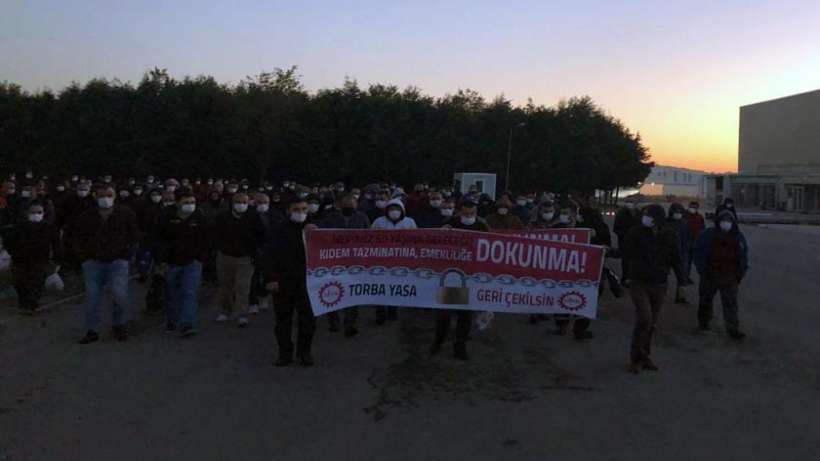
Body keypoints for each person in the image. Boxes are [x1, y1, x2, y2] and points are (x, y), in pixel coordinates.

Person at [73, 184, 139, 344]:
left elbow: (134, 235)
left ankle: (119, 324)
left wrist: (128, 255)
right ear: (95, 196)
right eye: (102, 195)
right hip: (93, 262)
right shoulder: (86, 216)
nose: (105, 199)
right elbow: (77, 238)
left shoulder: (125, 213)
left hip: (118, 261)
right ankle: (92, 329)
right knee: (93, 297)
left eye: (109, 195)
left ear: (115, 196)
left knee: (119, 295)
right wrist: (84, 258)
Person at [623, 204, 683, 373]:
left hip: (659, 283)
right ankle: (635, 358)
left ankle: (644, 356)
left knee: (652, 324)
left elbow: (676, 257)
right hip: (638, 281)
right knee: (644, 319)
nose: (646, 218)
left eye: (649, 215)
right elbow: (625, 252)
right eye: (644, 215)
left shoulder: (670, 234)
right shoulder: (636, 232)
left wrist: (682, 279)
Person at [431, 199, 489, 360]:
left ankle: (460, 346)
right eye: (465, 213)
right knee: (444, 315)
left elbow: (491, 246)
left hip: (471, 277)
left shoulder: (482, 226)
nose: (468, 216)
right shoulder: (450, 223)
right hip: (452, 276)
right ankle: (438, 342)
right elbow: (436, 244)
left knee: (465, 317)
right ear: (460, 212)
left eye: (472, 214)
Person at [263, 198, 317, 367]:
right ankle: (285, 353)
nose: (301, 212)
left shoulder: (314, 228)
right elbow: (269, 255)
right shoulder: (278, 229)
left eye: (304, 209)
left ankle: (304, 352)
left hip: (308, 282)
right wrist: (271, 278)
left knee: (308, 320)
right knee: (283, 320)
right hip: (283, 281)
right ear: (288, 210)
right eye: (297, 208)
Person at [155, 191, 210, 337]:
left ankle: (188, 324)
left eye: (192, 202)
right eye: (186, 202)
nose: (190, 205)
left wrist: (201, 258)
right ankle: (172, 320)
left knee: (189, 292)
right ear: (178, 202)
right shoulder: (166, 217)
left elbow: (206, 238)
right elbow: (158, 239)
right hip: (170, 262)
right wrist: (161, 261)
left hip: (192, 262)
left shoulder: (199, 217)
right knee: (171, 294)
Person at [320, 193, 371, 337]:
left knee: (352, 293)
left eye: (352, 205)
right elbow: (320, 236)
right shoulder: (330, 219)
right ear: (340, 206)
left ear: (356, 205)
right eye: (346, 205)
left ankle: (350, 323)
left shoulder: (362, 218)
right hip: (333, 262)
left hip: (355, 262)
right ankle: (333, 321)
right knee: (332, 291)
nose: (349, 208)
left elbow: (369, 238)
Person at [693, 210, 749, 340]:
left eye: (728, 221)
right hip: (710, 275)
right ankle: (704, 323)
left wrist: (740, 273)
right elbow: (698, 251)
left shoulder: (737, 236)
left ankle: (732, 328)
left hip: (729, 276)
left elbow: (743, 255)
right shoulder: (707, 235)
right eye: (723, 221)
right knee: (705, 300)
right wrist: (702, 269)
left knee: (730, 304)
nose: (725, 224)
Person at [0, 201, 62, 315]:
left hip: (40, 260)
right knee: (20, 282)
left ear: (43, 213)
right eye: (33, 212)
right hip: (20, 260)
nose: (36, 214)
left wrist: (57, 258)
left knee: (36, 283)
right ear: (28, 213)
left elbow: (56, 244)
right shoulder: (19, 227)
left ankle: (31, 305)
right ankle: (24, 303)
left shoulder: (48, 227)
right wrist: (14, 253)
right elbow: (9, 241)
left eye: (39, 212)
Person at [211, 192, 263, 327]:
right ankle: (225, 310)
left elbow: (261, 236)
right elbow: (215, 234)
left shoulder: (254, 217)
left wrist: (255, 252)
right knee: (225, 285)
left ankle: (241, 314)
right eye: (238, 202)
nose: (241, 205)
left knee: (242, 286)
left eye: (244, 202)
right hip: (225, 256)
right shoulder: (223, 217)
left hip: (245, 258)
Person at [371, 198, 417, 324]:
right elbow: (368, 239)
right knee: (380, 287)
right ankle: (380, 313)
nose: (394, 211)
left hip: (401, 260)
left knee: (395, 286)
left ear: (402, 210)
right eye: (391, 209)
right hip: (381, 260)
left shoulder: (409, 222)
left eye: (397, 209)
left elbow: (417, 241)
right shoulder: (379, 222)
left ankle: (393, 309)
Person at [248, 193, 279, 315]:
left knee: (268, 275)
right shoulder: (249, 215)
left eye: (265, 202)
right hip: (253, 249)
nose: (262, 205)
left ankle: (264, 295)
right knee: (253, 277)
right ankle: (253, 302)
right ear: (254, 203)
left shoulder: (275, 214)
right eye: (259, 203)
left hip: (270, 250)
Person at [613, 204, 639, 286]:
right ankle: (625, 279)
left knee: (635, 261)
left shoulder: (638, 213)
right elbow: (616, 228)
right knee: (626, 261)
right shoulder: (621, 214)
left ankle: (633, 278)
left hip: (636, 242)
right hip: (624, 241)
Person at [684, 201, 706, 283]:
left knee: (694, 262)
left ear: (697, 208)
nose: (692, 209)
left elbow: (702, 229)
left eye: (694, 207)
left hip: (696, 242)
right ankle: (684, 277)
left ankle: (687, 276)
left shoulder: (700, 217)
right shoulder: (684, 216)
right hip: (686, 242)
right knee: (686, 261)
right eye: (691, 207)